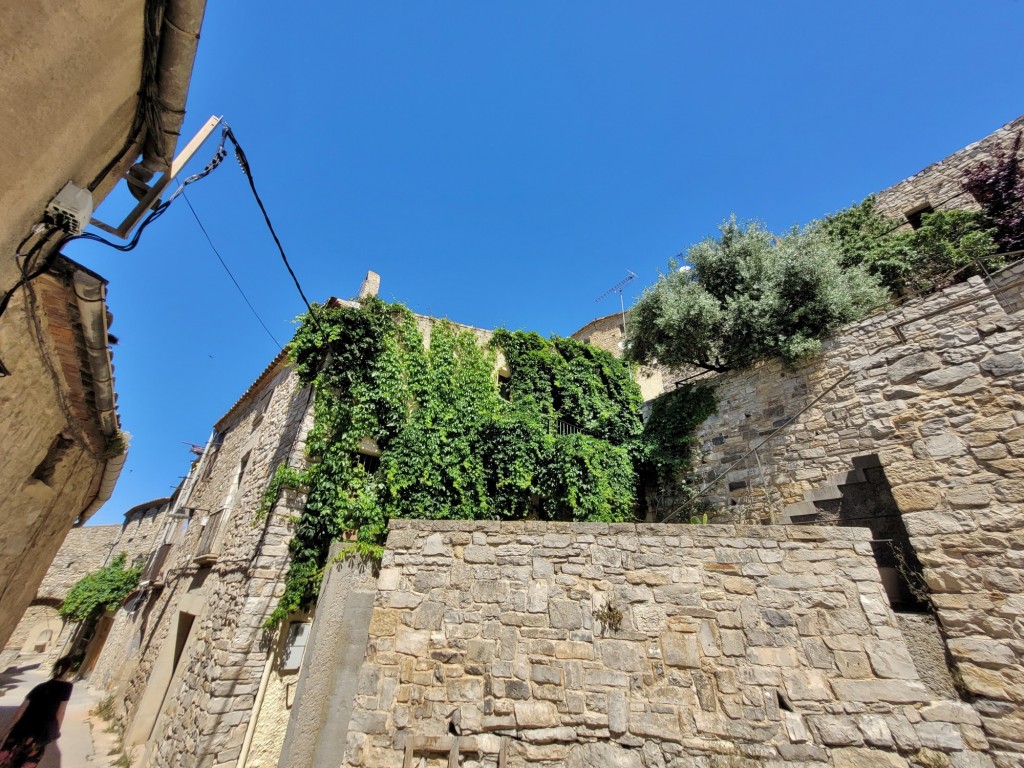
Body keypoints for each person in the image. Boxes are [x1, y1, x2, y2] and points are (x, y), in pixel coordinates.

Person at [0, 656, 75, 767]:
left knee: (6, 762)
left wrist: (3, 733)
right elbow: (61, 713)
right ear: (67, 670)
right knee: (26, 763)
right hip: (38, 735)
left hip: (20, 730)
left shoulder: (39, 687)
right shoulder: (67, 687)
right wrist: (54, 733)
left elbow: (19, 713)